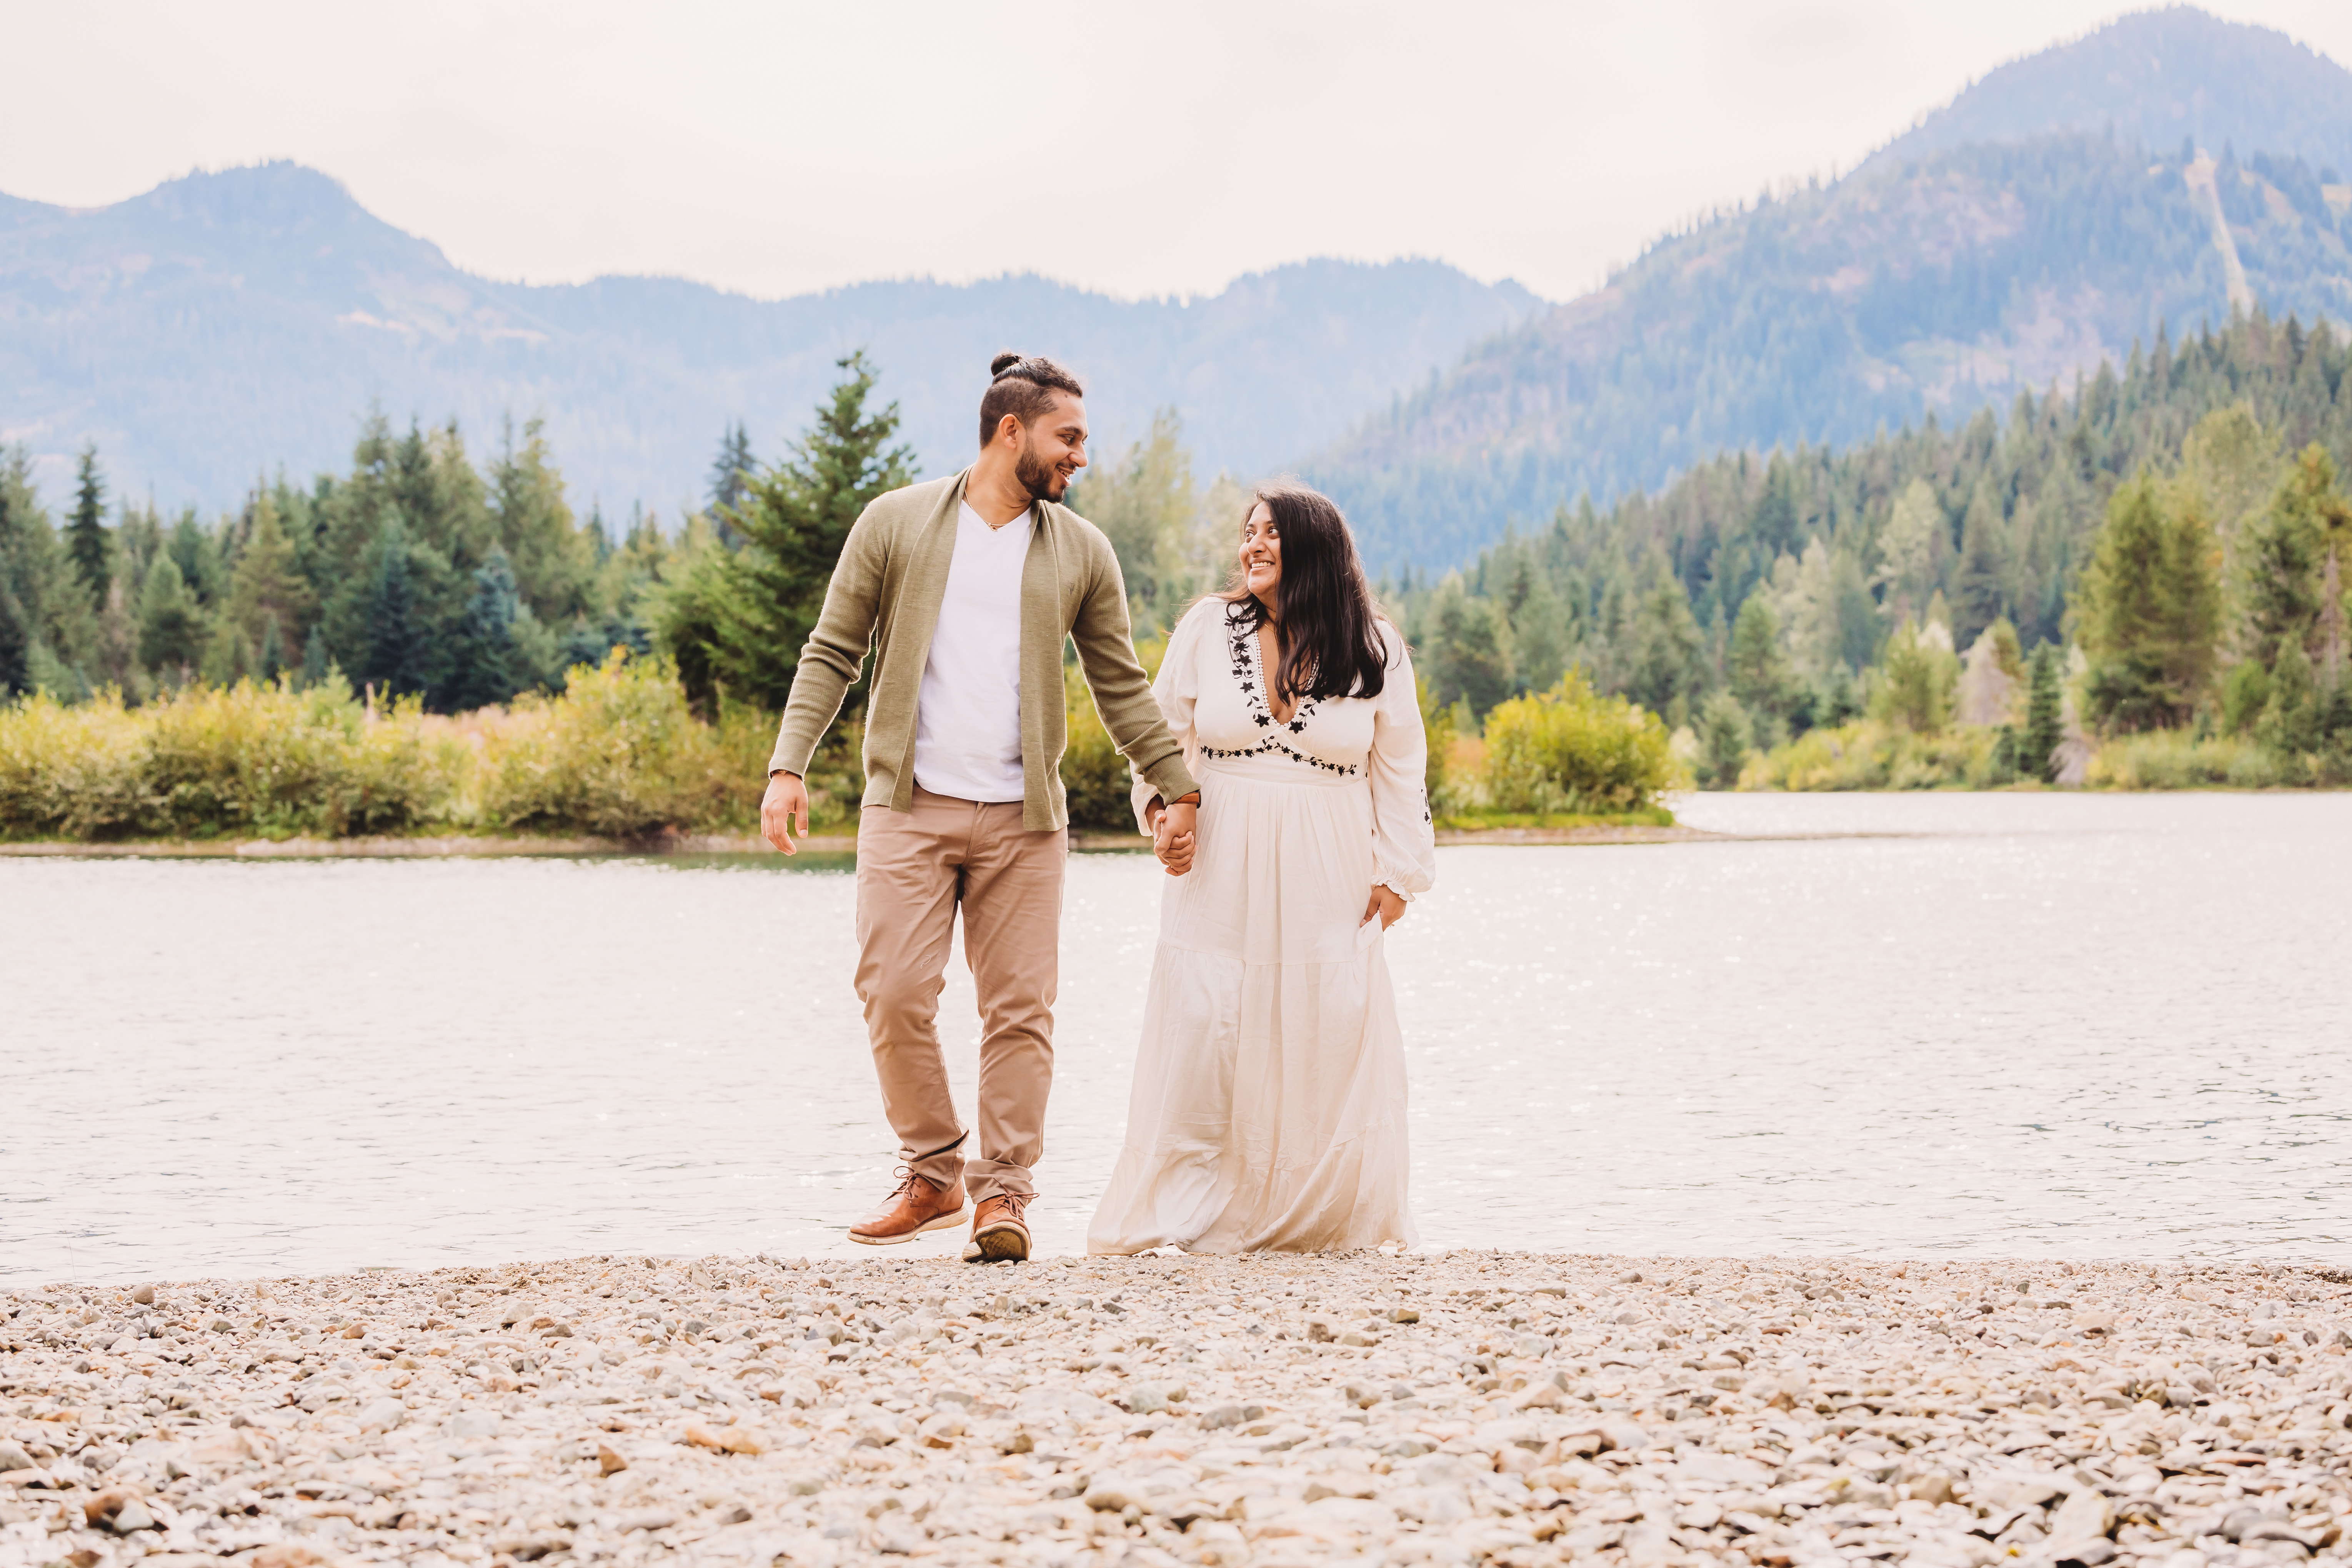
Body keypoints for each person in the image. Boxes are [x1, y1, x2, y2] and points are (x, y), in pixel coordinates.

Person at [760, 352, 1198, 1263]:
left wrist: (1173, 785)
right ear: (1013, 431)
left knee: (1019, 1010)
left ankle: (1004, 1196)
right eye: (1068, 437)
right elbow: (832, 648)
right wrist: (787, 764)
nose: (1081, 455)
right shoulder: (895, 523)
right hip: (906, 807)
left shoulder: (1081, 550)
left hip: (1024, 820)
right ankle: (933, 1171)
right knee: (891, 990)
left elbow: (1119, 685)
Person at [1088, 483, 1436, 1255]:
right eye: (1247, 533)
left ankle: (1322, 1213)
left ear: (1314, 547)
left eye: (1271, 534)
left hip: (1332, 863)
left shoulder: (1375, 646)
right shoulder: (1206, 628)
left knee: (1330, 1024)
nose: (1252, 546)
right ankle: (1190, 1211)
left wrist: (1400, 873)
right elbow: (1161, 732)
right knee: (1209, 1024)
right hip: (1221, 853)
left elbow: (1401, 769)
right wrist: (1160, 813)